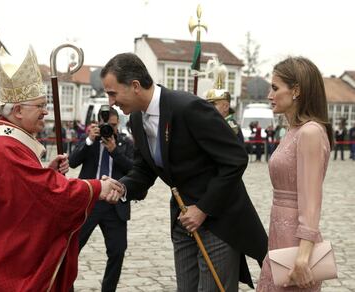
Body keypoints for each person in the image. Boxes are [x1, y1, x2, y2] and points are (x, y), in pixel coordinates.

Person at [0, 46, 123, 291]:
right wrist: (97, 186)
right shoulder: (5, 146)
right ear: (17, 110)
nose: (46, 112)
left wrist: (45, 170)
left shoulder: (8, 140)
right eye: (40, 106)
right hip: (4, 259)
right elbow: (45, 192)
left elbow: (23, 188)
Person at [101, 53, 267, 291]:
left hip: (218, 220)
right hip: (182, 221)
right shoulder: (137, 119)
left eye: (113, 93)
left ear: (135, 86)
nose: (111, 102)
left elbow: (236, 159)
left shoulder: (188, 107)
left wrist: (203, 209)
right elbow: (144, 169)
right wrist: (123, 186)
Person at [257, 57, 334, 291]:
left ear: (296, 90)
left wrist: (303, 255)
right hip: (279, 235)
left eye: (275, 88)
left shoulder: (310, 132)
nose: (270, 95)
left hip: (296, 243)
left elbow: (311, 200)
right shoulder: (293, 130)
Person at [69, 106, 134, 292]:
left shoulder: (125, 143)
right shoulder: (90, 140)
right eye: (106, 125)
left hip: (114, 205)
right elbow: (73, 161)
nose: (109, 130)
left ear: (118, 124)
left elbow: (133, 170)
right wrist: (89, 139)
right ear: (98, 123)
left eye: (113, 125)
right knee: (72, 248)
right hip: (89, 201)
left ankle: (108, 289)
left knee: (117, 251)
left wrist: (114, 151)